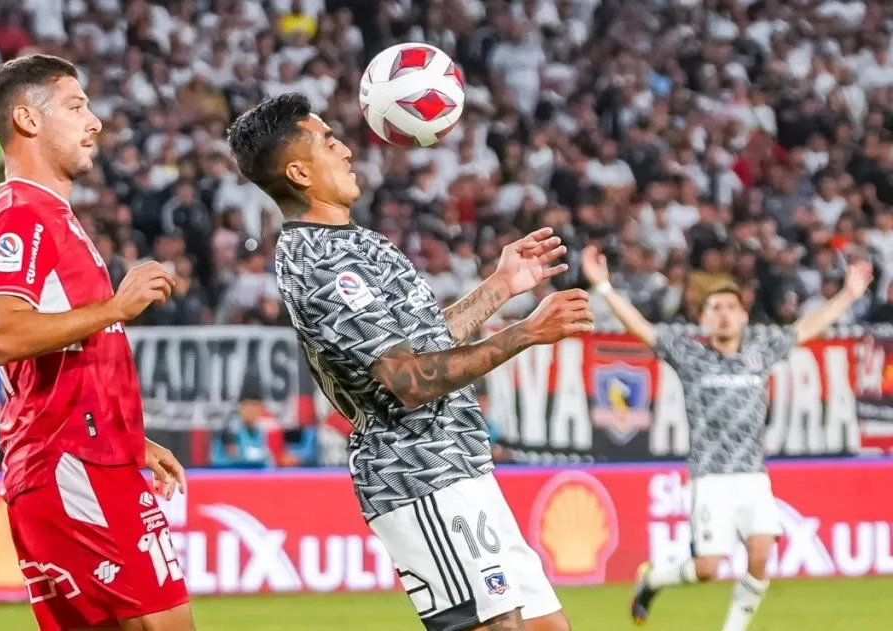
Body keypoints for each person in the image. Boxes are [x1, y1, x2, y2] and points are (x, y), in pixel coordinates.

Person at [227, 93, 594, 631]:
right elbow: (405, 381)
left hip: (460, 462)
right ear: (300, 171)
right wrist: (524, 334)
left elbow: (423, 344)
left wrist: (500, 288)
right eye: (329, 141)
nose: (347, 150)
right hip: (416, 473)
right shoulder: (320, 264)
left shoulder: (357, 242)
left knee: (546, 627)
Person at [0, 54, 196, 631]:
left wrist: (133, 438)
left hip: (90, 459)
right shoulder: (21, 214)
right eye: (76, 106)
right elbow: (4, 334)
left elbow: (70, 358)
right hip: (74, 468)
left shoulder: (55, 217)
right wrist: (118, 307)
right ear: (27, 119)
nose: (94, 121)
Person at [580, 245, 872, 631]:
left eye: (730, 307)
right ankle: (652, 580)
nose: (723, 314)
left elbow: (808, 326)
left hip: (753, 476)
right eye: (714, 308)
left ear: (743, 316)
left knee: (761, 553)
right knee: (706, 569)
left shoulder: (760, 351)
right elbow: (642, 328)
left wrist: (849, 294)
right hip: (711, 478)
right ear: (703, 318)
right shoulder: (689, 355)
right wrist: (603, 288)